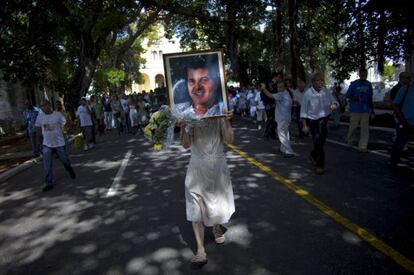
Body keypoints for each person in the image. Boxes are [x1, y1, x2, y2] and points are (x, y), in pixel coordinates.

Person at [179, 110, 235, 269]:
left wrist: (227, 120)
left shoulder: (219, 112)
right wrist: (183, 127)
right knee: (195, 208)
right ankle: (200, 249)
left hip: (217, 166)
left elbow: (229, 140)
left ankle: (216, 227)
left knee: (216, 204)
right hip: (197, 167)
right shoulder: (190, 115)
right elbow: (185, 145)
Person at [300, 72, 338, 175]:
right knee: (318, 143)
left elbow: (334, 101)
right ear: (313, 82)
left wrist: (333, 105)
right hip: (313, 122)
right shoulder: (307, 94)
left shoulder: (326, 91)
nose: (321, 82)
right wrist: (304, 125)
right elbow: (303, 111)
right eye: (318, 80)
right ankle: (320, 165)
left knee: (321, 143)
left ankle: (313, 155)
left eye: (322, 80)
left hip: (324, 120)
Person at [35, 100, 76, 192]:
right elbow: (37, 129)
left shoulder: (57, 115)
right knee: (47, 165)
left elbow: (66, 123)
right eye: (41, 106)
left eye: (45, 105)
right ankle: (48, 183)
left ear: (49, 105)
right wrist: (38, 141)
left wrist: (69, 129)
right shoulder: (40, 117)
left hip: (59, 143)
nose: (43, 107)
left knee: (65, 161)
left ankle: (69, 169)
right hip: (47, 144)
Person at [261, 81, 296, 157]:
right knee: (286, 134)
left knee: (281, 134)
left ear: (285, 87)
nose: (279, 88)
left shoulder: (282, 94)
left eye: (281, 87)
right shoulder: (287, 94)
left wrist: (264, 89)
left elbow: (270, 95)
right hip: (285, 118)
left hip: (282, 118)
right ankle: (283, 149)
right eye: (278, 87)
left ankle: (289, 151)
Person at [346, 68, 374, 153]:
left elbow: (370, 98)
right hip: (355, 110)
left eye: (365, 75)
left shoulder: (369, 84)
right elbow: (347, 95)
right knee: (353, 128)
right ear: (359, 75)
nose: (364, 77)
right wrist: (355, 98)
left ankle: (362, 146)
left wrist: (372, 109)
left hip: (365, 110)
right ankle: (350, 143)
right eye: (362, 75)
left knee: (365, 129)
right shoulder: (354, 84)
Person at [389, 80, 414, 168]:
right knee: (399, 143)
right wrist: (401, 118)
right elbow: (395, 104)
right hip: (405, 121)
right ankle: (393, 162)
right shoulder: (405, 89)